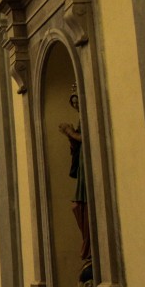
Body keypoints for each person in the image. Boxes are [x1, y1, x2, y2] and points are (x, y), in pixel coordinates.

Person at [58, 91, 91, 261]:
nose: (76, 105)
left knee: (82, 205)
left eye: (78, 102)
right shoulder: (81, 119)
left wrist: (70, 132)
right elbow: (78, 144)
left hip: (88, 166)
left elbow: (87, 138)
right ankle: (87, 244)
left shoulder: (88, 117)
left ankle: (88, 245)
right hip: (82, 166)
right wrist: (70, 136)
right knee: (78, 206)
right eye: (74, 103)